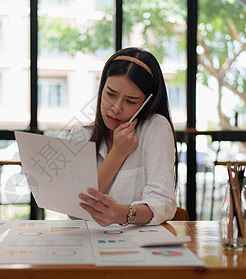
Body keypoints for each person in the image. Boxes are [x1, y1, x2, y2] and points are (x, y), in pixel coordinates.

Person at [68, 47, 178, 227]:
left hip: (137, 246)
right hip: (88, 243)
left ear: (146, 102)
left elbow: (163, 202)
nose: (116, 107)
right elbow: (75, 212)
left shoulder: (155, 128)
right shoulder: (81, 135)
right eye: (110, 94)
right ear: (101, 88)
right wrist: (117, 153)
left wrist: (124, 214)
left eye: (131, 101)